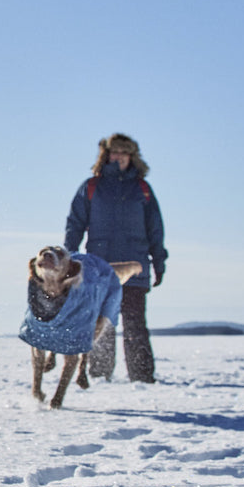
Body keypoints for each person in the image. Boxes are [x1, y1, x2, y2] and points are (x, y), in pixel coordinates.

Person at [64, 133, 167, 383]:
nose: (119, 156)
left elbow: (156, 229)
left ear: (132, 156)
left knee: (135, 326)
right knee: (102, 325)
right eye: (115, 152)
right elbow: (75, 224)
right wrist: (68, 259)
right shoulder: (91, 187)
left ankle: (142, 378)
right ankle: (99, 375)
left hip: (135, 268)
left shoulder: (142, 189)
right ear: (106, 155)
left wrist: (159, 262)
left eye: (124, 152)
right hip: (101, 267)